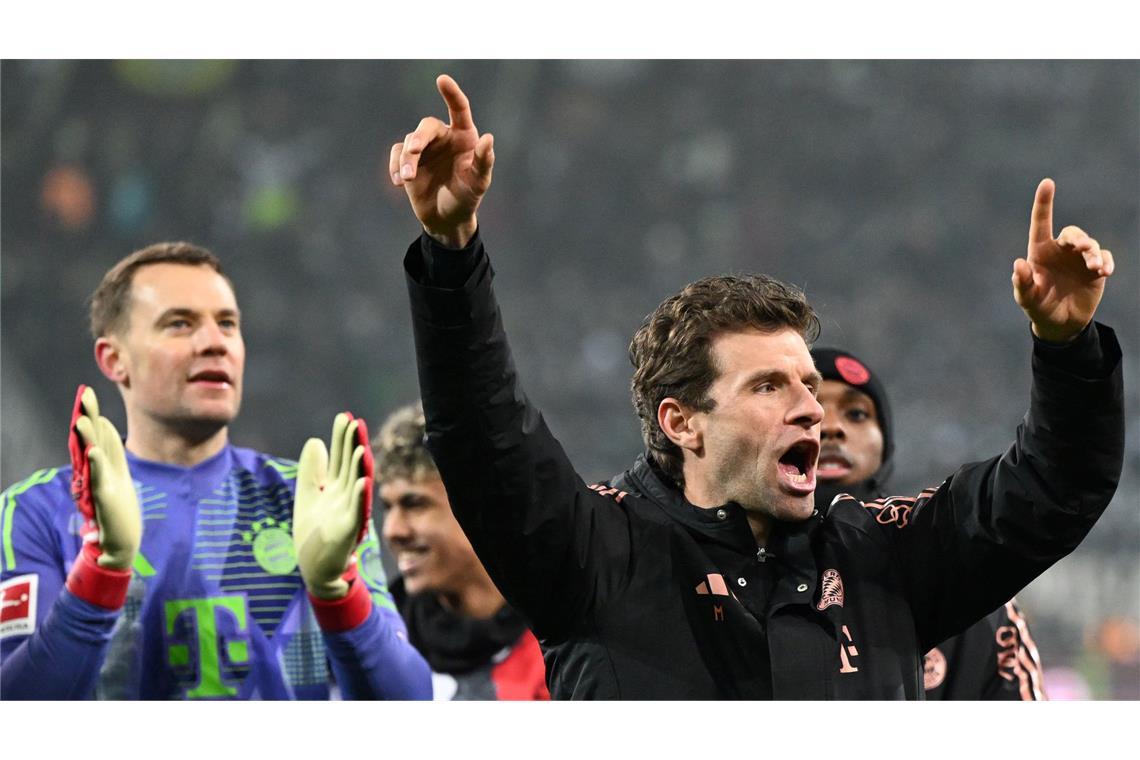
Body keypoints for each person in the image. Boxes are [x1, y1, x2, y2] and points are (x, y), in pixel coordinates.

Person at [389, 75, 1123, 698]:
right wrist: (452, 257)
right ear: (682, 421)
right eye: (771, 387)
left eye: (808, 383)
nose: (812, 408)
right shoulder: (596, 551)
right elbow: (485, 437)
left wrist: (1066, 348)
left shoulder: (884, 554)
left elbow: (1052, 492)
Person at [0, 242, 432, 699]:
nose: (215, 342)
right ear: (114, 359)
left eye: (227, 323)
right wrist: (101, 574)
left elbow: (408, 706)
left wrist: (338, 591)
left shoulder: (313, 503)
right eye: (180, 324)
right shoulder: (37, 511)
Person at [811, 346, 1046, 700]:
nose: (830, 427)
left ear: (886, 444)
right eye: (809, 413)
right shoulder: (734, 570)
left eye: (857, 413)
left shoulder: (963, 580)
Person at [373, 402, 550, 700]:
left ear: (479, 505)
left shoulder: (569, 637)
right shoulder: (375, 643)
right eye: (387, 507)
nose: (392, 530)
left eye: (414, 504)